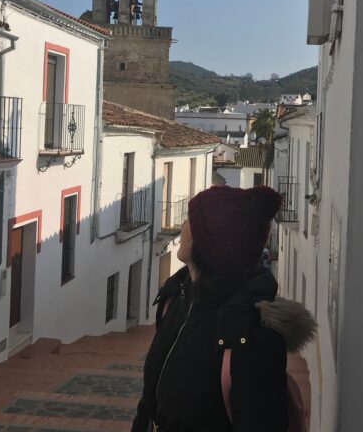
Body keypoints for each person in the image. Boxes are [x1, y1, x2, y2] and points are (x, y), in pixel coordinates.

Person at [132, 185, 316, 432]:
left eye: (191, 221)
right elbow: (149, 402)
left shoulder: (251, 338)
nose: (183, 226)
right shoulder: (177, 297)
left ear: (208, 244)